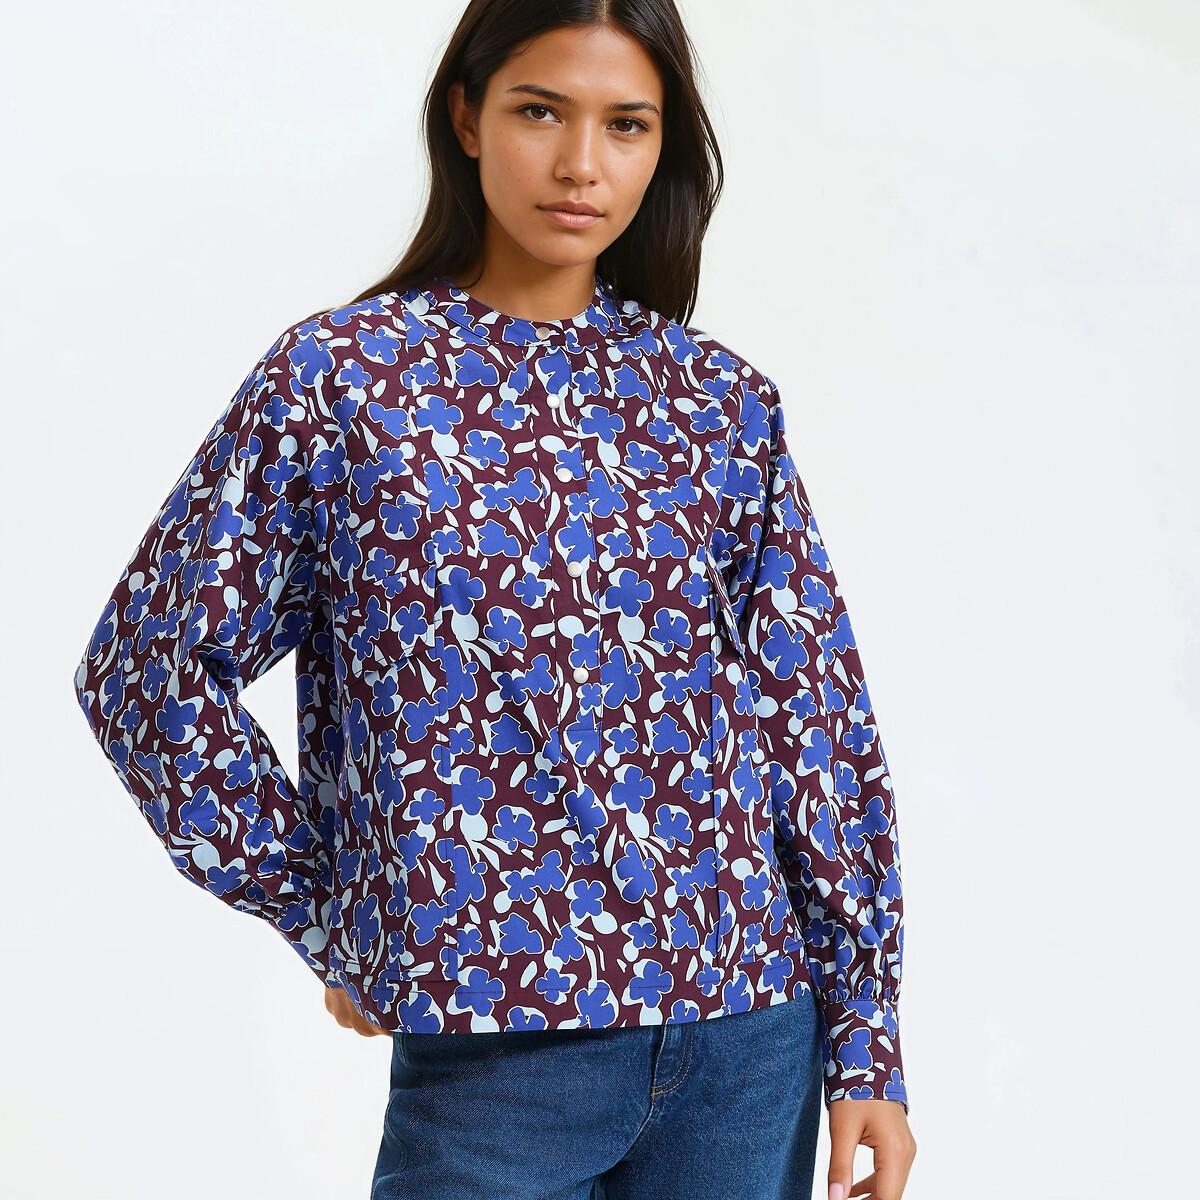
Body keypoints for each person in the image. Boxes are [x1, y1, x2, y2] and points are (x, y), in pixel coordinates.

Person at [72, 2, 918, 1197]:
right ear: (467, 117)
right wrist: (330, 911)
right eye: (540, 111)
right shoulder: (344, 381)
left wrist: (866, 1041)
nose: (581, 164)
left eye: (626, 125)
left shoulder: (716, 402)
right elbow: (147, 671)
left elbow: (813, 718)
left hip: (747, 1040)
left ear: (663, 147)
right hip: (494, 1059)